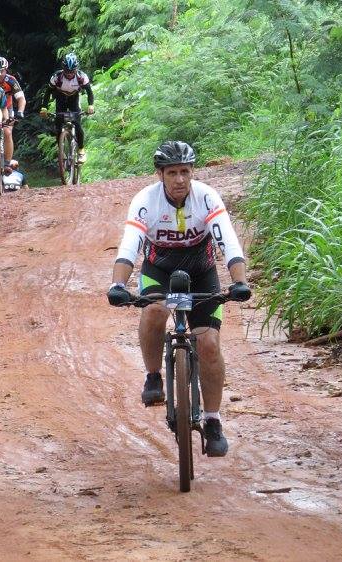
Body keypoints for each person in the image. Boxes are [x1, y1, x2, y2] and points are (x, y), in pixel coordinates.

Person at [106, 141, 252, 458]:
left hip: (202, 271)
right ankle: (153, 376)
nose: (179, 180)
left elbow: (229, 242)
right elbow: (130, 246)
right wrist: (118, 284)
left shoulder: (207, 197)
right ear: (160, 175)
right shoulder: (146, 201)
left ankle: (212, 421)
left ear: (192, 172)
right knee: (155, 310)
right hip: (160, 269)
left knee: (209, 344)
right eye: (172, 172)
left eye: (185, 171)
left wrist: (240, 281)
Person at [41, 53, 94, 164]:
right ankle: (62, 151)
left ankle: (81, 151)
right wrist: (44, 108)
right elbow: (48, 92)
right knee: (58, 125)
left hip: (74, 100)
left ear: (76, 69)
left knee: (77, 124)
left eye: (72, 72)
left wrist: (91, 105)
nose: (69, 74)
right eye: (67, 71)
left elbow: (89, 92)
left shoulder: (81, 77)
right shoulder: (56, 77)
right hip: (60, 99)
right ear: (63, 69)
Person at [0, 56, 26, 162]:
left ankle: (7, 163)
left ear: (6, 70)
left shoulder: (10, 80)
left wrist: (20, 112)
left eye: (2, 71)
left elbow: (21, 98)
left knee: (7, 132)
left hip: (6, 108)